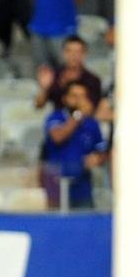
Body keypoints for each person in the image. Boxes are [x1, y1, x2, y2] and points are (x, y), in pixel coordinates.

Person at [42, 80, 108, 209]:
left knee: (85, 225)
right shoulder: (55, 117)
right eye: (75, 96)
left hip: (82, 187)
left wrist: (97, 158)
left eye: (83, 96)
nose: (79, 100)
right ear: (65, 98)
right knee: (55, 224)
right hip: (56, 187)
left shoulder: (92, 123)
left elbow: (101, 149)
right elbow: (58, 136)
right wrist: (78, 115)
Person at [35, 36, 102, 110]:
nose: (73, 55)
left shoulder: (93, 80)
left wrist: (79, 98)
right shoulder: (53, 74)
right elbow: (39, 105)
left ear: (84, 54)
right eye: (69, 51)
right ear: (63, 53)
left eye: (78, 52)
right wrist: (44, 89)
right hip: (57, 118)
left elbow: (91, 109)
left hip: (82, 119)